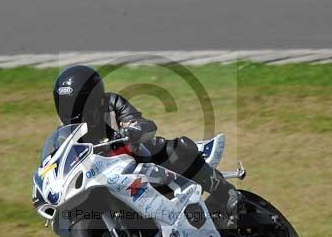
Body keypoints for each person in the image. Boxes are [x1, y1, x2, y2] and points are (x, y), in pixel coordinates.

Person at [52, 64, 245, 226]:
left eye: (76, 104)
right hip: (105, 179)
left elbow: (141, 123)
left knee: (175, 148)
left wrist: (133, 130)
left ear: (93, 99)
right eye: (66, 105)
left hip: (140, 161)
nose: (71, 111)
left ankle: (227, 193)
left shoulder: (111, 104)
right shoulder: (66, 134)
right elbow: (59, 161)